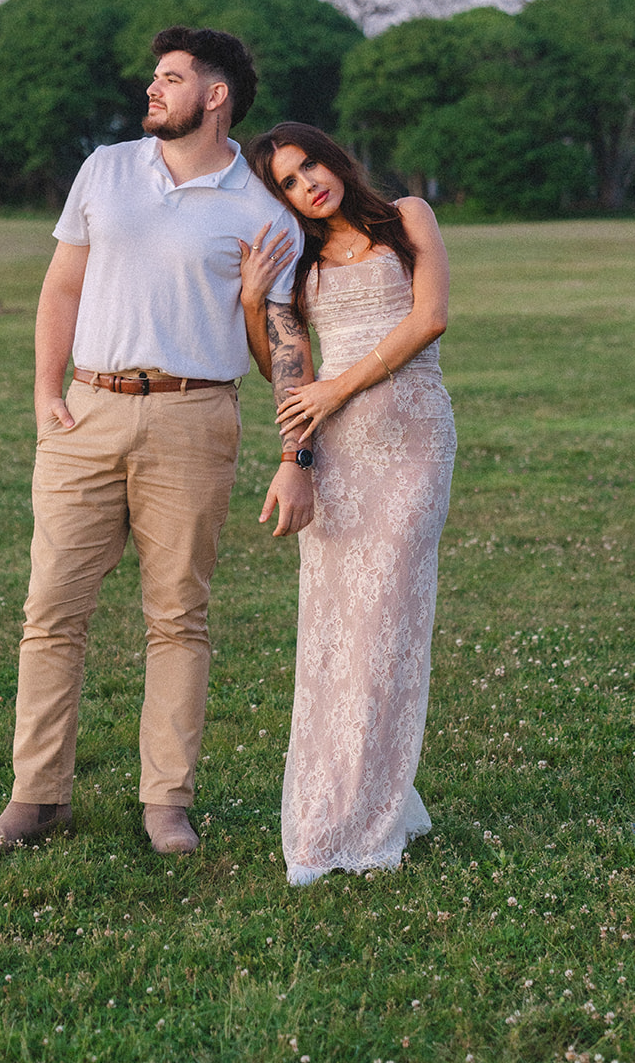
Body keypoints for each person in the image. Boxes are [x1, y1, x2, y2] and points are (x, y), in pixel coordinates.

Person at [0, 29, 314, 860]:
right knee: (50, 614)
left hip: (195, 418)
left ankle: (166, 804)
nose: (152, 90)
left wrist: (263, 317)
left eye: (171, 78)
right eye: (154, 77)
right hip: (88, 412)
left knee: (178, 619)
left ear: (215, 95)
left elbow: (283, 360)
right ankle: (36, 801)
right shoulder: (106, 169)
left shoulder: (265, 213)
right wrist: (47, 395)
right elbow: (62, 285)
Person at [244, 123, 456, 885]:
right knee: (335, 630)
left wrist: (340, 383)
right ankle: (343, 804)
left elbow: (429, 317)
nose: (309, 186)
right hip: (338, 455)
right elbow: (286, 371)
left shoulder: (408, 217)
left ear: (333, 157)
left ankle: (366, 822)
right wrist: (250, 303)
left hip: (414, 444)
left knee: (387, 621)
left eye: (311, 166)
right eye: (290, 184)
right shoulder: (296, 265)